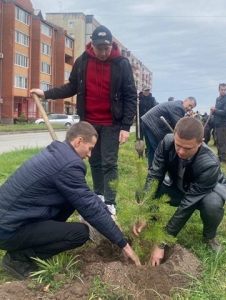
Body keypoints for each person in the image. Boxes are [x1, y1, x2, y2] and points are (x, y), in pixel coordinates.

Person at [0, 122, 140, 280]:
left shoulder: (59, 153)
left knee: (71, 200)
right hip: (7, 230)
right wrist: (122, 244)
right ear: (79, 141)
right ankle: (18, 258)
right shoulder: (68, 165)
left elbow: (86, 196)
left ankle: (31, 245)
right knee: (80, 233)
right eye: (90, 148)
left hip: (12, 219)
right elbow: (89, 208)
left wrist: (109, 216)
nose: (90, 155)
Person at [30, 25, 137, 215]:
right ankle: (99, 196)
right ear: (92, 46)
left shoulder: (121, 63)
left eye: (106, 48)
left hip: (112, 123)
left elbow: (130, 96)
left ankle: (111, 202)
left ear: (111, 45)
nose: (103, 52)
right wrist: (45, 94)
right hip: (89, 123)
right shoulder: (83, 61)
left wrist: (125, 126)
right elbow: (71, 87)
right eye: (99, 48)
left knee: (109, 163)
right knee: (94, 161)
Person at [132, 117, 226, 266]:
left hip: (204, 193)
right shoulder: (167, 143)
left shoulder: (209, 163)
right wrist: (146, 212)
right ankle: (154, 223)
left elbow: (188, 205)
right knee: (143, 191)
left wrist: (162, 243)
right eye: (178, 145)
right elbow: (154, 176)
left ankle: (209, 236)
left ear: (201, 142)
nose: (180, 151)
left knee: (213, 205)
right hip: (179, 186)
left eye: (188, 148)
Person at [141, 97, 197, 168]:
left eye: (191, 107)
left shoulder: (176, 104)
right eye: (189, 105)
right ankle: (158, 170)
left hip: (146, 121)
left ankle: (151, 169)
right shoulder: (178, 107)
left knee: (151, 150)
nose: (189, 108)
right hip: (152, 124)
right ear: (185, 100)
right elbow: (179, 125)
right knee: (158, 150)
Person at [210, 83, 226, 163]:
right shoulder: (218, 99)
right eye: (221, 90)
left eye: (224, 90)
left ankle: (223, 159)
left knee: (223, 143)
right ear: (219, 90)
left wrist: (215, 111)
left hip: (224, 124)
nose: (223, 91)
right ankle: (219, 157)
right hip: (218, 124)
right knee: (218, 142)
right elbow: (217, 110)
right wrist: (214, 110)